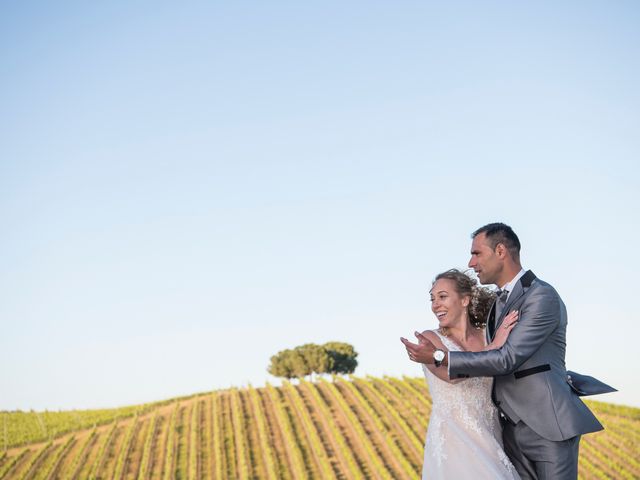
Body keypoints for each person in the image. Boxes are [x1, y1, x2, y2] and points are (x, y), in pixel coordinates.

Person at [402, 223, 604, 480]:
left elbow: (506, 358)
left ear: (500, 251)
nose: (471, 262)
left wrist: (439, 356)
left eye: (476, 253)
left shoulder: (541, 296)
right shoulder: (497, 306)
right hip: (506, 433)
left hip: (546, 425)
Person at [409, 269, 521, 479]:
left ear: (465, 300)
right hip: (453, 440)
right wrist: (495, 346)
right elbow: (452, 376)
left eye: (442, 297)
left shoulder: (488, 335)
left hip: (492, 438)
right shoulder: (429, 338)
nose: (435, 305)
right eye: (432, 299)